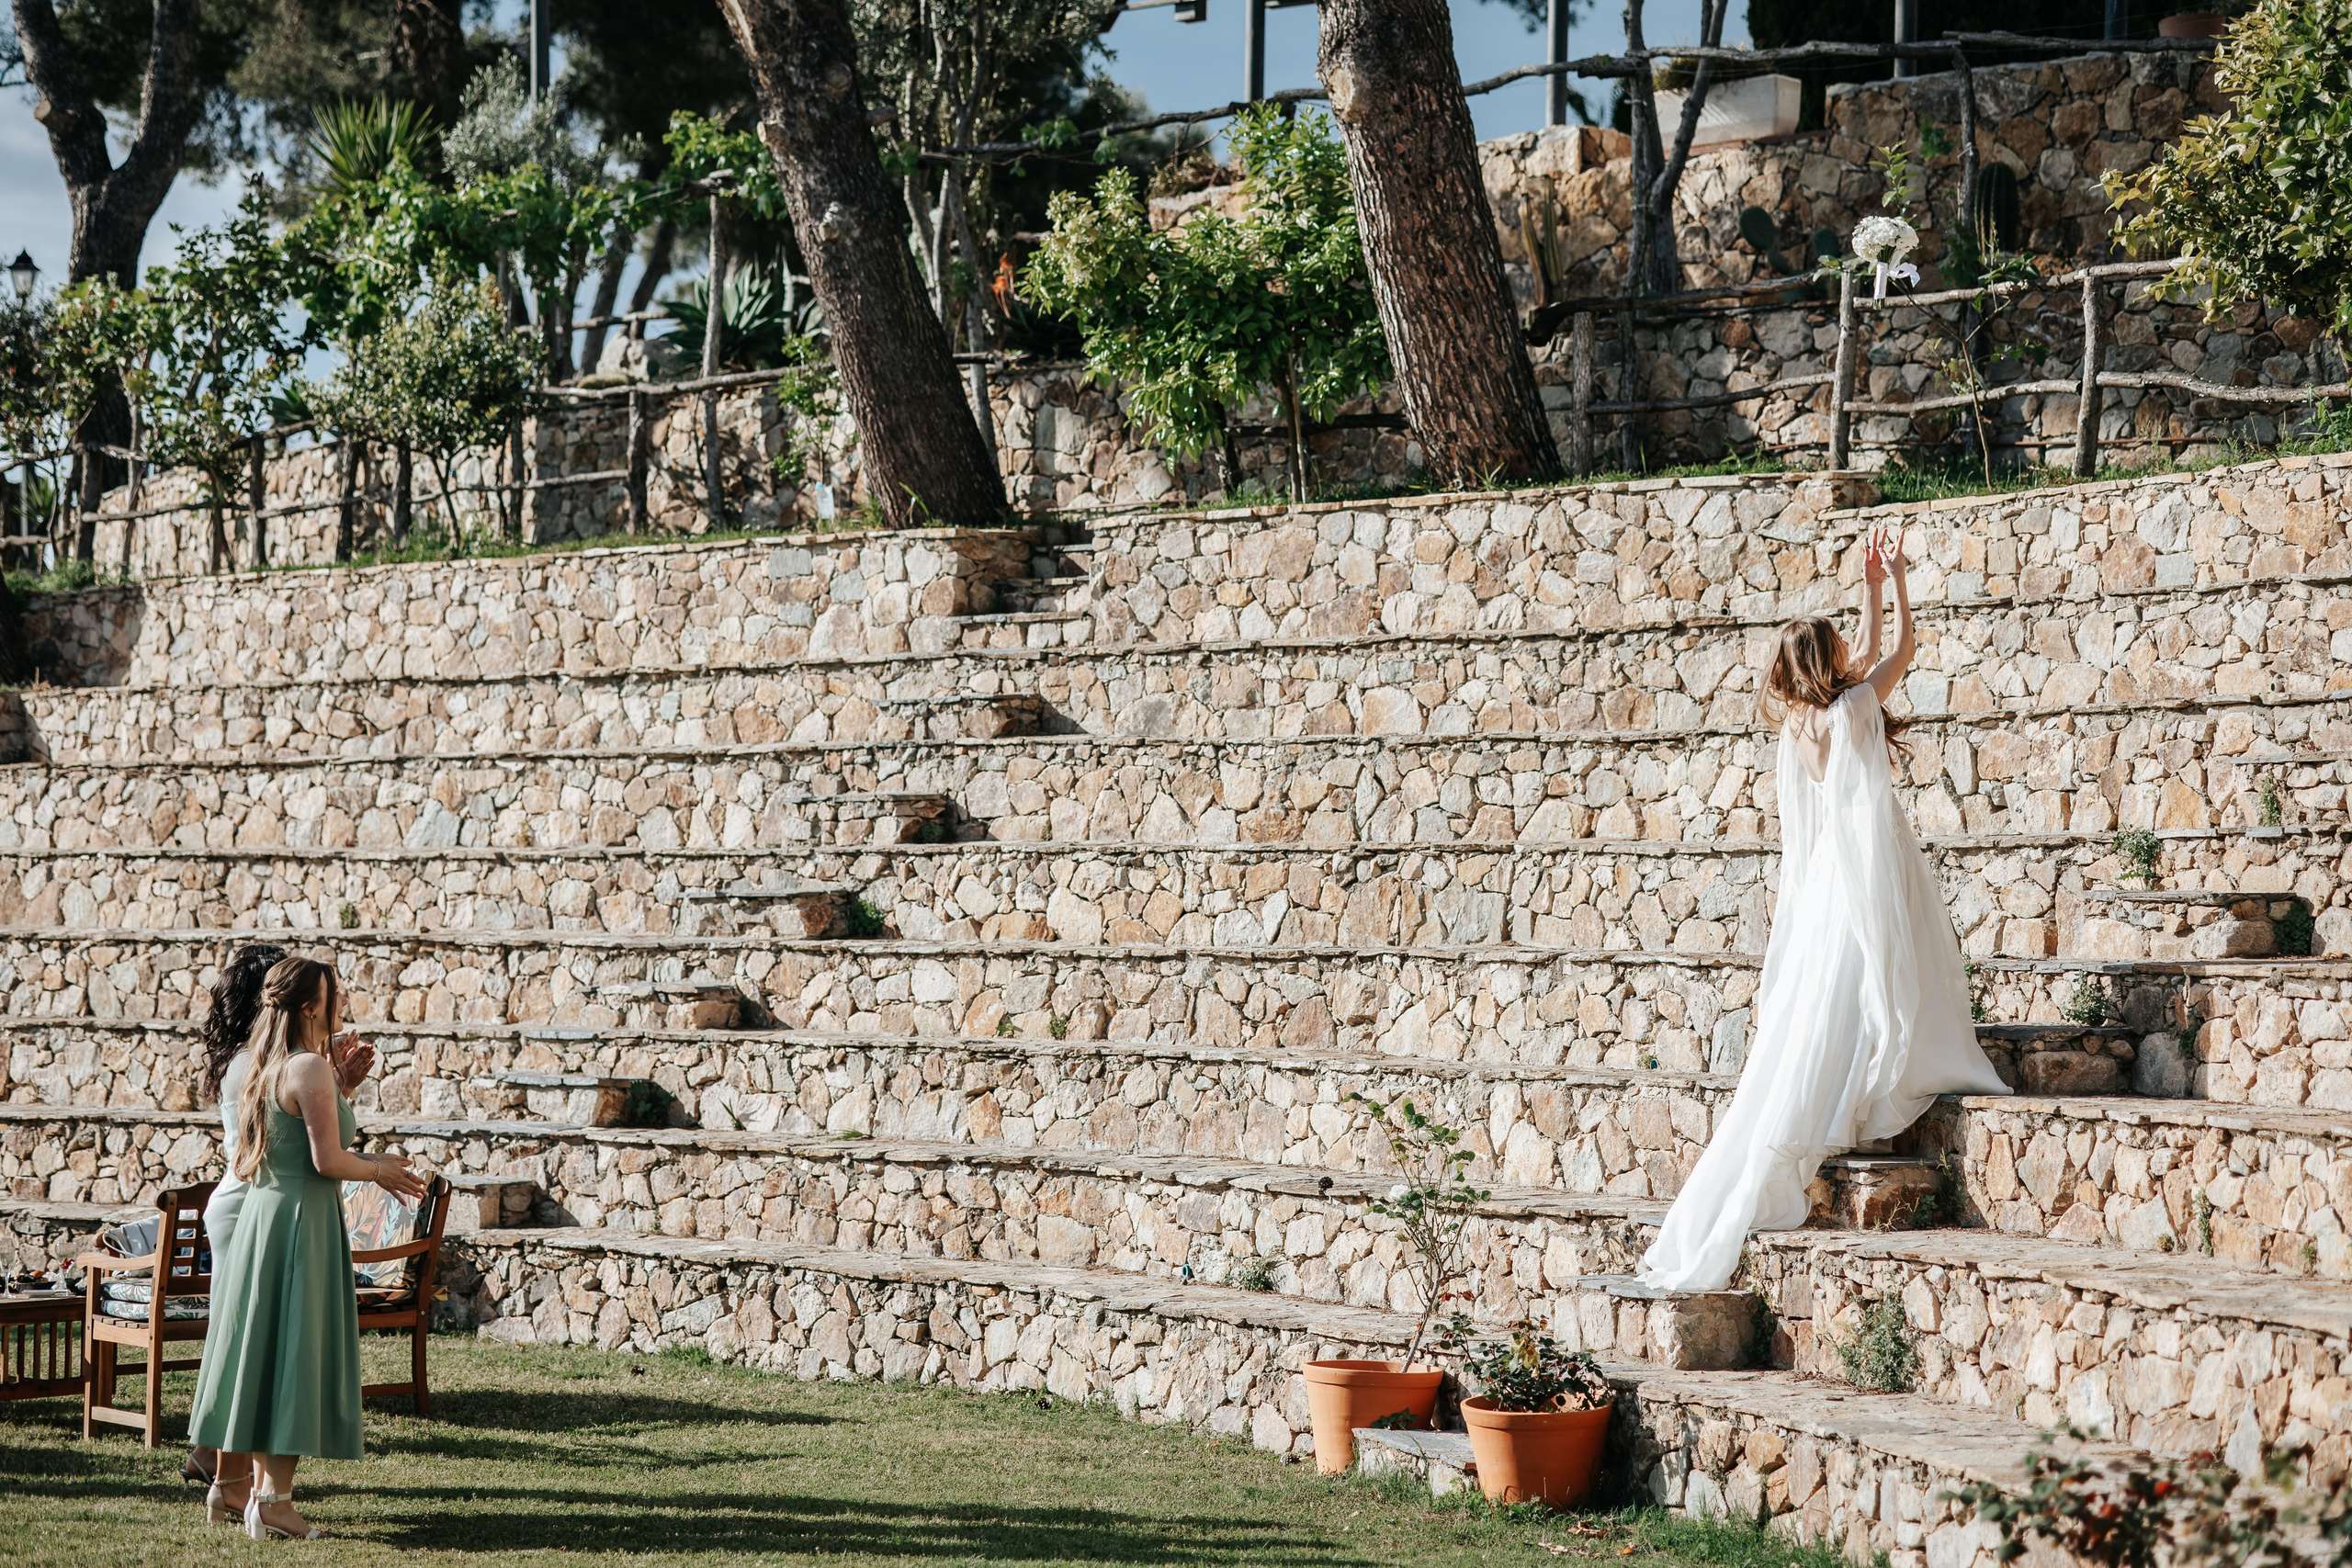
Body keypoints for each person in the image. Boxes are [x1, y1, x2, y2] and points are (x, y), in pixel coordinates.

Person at [1635, 526, 2010, 1292]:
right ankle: (1867, 1090)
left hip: (1822, 888)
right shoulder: (1851, 712)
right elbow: (1898, 647)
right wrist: (1901, 578)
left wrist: (1868, 582)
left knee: (1823, 1013)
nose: (1850, 653)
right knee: (1875, 988)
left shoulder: (1798, 726)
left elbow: (1866, 648)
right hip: (1864, 878)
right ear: (1826, 661)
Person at [187, 957, 424, 1541]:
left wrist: (339, 1086)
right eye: (332, 992)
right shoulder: (306, 1067)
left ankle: (228, 1484)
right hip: (301, 1222)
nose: (339, 999)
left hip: (264, 1219)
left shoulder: (257, 1068)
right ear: (311, 1006)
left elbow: (291, 1140)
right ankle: (275, 1502)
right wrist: (379, 1169)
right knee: (293, 1356)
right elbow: (326, 1160)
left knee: (256, 1354)